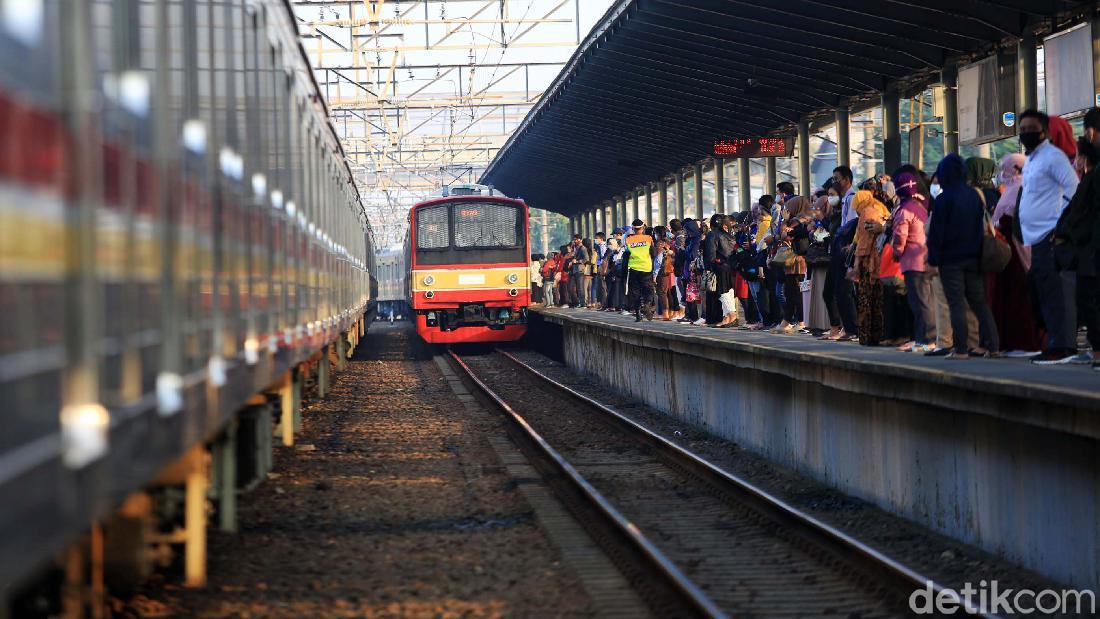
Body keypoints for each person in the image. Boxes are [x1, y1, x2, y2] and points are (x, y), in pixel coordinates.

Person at [1017, 109, 1080, 364]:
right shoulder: (1032, 159)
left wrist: (1061, 226)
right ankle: (1054, 341)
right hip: (1036, 237)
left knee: (1056, 293)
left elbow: (1074, 190)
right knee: (1043, 291)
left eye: (1031, 129)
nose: (1026, 134)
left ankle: (1063, 346)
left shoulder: (1053, 157)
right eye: (1022, 130)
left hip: (1050, 234)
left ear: (1044, 131)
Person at [927, 153, 1000, 359]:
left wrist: (933, 261)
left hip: (951, 260)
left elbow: (937, 234)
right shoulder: (975, 196)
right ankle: (993, 346)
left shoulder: (943, 199)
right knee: (979, 303)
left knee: (956, 303)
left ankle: (960, 349)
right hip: (974, 258)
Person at [1055, 107, 1100, 366]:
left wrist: (1068, 234)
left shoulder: (1091, 177)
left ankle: (1097, 352)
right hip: (1088, 247)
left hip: (1090, 249)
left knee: (1089, 299)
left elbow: (1082, 211)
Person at [990, 153, 1044, 355]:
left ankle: (1024, 342)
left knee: (1019, 299)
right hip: (1015, 252)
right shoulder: (1016, 188)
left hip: (1017, 252)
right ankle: (1017, 342)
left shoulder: (1019, 188)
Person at [891, 172, 935, 354]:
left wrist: (896, 252)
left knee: (919, 303)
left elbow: (900, 236)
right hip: (925, 258)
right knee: (924, 301)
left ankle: (927, 340)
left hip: (912, 261)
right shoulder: (920, 206)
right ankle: (921, 339)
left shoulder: (904, 210)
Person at [850, 188, 890, 346]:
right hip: (884, 260)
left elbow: (864, 243)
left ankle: (867, 337)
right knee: (880, 300)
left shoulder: (867, 213)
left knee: (866, 299)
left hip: (871, 262)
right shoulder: (881, 208)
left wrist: (856, 264)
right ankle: (881, 335)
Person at [704, 214, 738, 327]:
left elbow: (710, 254)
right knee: (729, 292)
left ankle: (732, 315)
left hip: (719, 266)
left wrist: (709, 267)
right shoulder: (730, 235)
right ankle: (727, 317)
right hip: (731, 266)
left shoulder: (712, 235)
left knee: (722, 292)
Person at [624, 219, 657, 321]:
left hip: (633, 269)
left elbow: (626, 255)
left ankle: (638, 315)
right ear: (643, 228)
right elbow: (654, 253)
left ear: (633, 229)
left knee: (635, 292)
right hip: (646, 268)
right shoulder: (648, 238)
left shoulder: (628, 240)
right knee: (649, 290)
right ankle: (647, 304)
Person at [569, 235, 589, 308]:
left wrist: (577, 261)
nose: (575, 241)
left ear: (580, 240)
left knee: (580, 287)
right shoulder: (575, 248)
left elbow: (586, 259)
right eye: (574, 240)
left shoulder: (583, 248)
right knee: (576, 287)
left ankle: (583, 303)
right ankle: (578, 302)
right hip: (575, 270)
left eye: (576, 240)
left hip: (580, 269)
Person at [592, 232, 608, 308]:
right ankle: (602, 303)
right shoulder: (599, 246)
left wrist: (601, 267)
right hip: (600, 266)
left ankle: (604, 304)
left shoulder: (603, 247)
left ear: (601, 239)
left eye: (597, 238)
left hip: (602, 266)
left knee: (602, 286)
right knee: (600, 286)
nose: (595, 240)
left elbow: (603, 258)